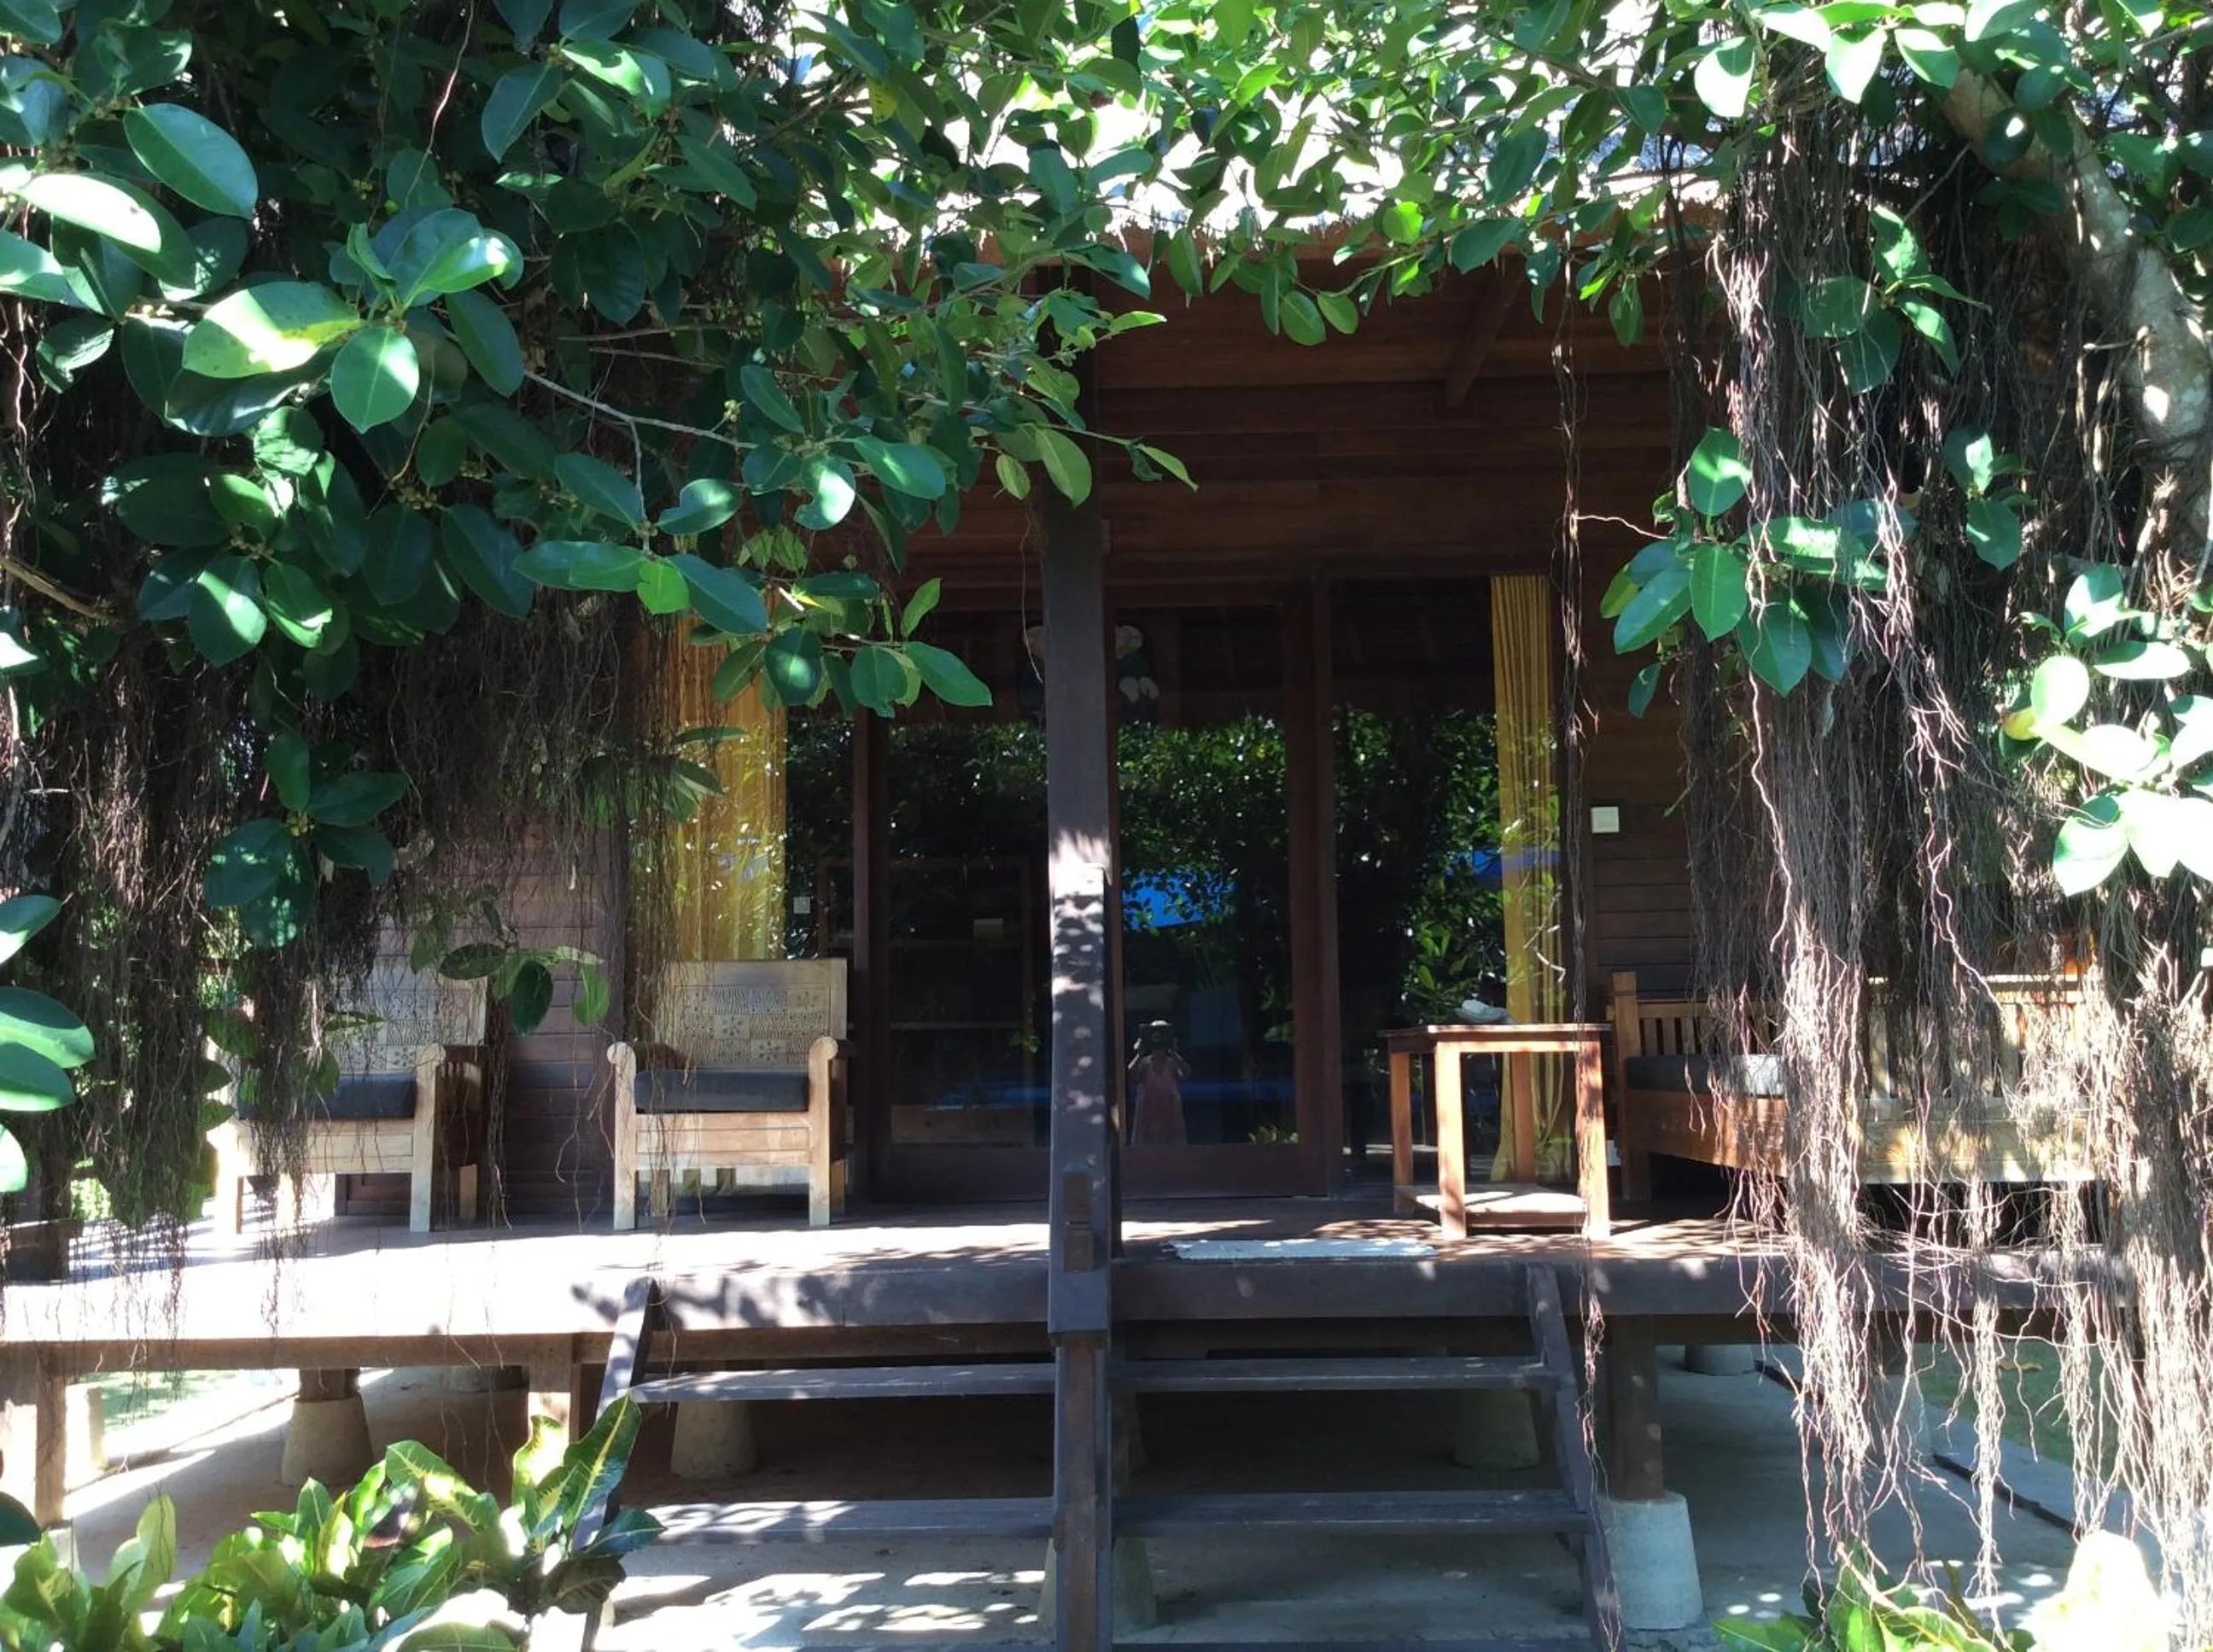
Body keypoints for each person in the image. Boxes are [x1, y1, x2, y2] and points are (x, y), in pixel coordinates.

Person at [1129, 1019, 1189, 1146]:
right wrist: (1139, 1054)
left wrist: (1173, 1051)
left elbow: (1186, 1073)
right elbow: (1131, 1075)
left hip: (1169, 1116)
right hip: (1148, 1115)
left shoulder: (1172, 1064)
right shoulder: (1145, 1064)